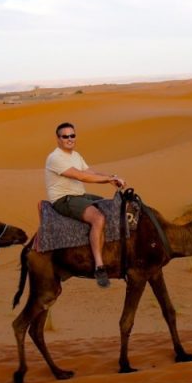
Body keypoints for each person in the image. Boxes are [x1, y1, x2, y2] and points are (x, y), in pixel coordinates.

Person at [45, 122, 126, 288]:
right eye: (65, 136)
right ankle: (99, 266)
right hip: (64, 199)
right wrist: (108, 179)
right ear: (58, 139)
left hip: (79, 196)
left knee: (109, 205)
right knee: (98, 218)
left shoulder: (76, 155)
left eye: (72, 135)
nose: (69, 139)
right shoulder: (55, 158)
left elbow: (90, 173)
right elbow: (82, 177)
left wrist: (112, 178)